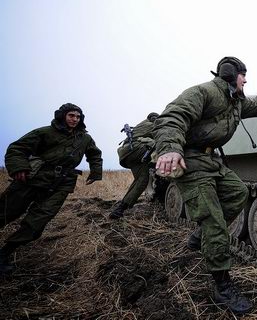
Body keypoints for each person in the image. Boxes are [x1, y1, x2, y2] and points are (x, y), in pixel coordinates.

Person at [154, 56, 257, 314]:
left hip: (210, 159)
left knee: (238, 193)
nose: (246, 80)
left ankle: (200, 235)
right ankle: (222, 285)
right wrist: (170, 149)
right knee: (215, 222)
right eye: (243, 75)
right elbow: (173, 116)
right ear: (231, 75)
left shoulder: (235, 102)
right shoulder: (203, 92)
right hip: (191, 160)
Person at [0, 103, 103, 273]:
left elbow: (94, 154)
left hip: (62, 184)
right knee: (6, 211)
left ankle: (5, 253)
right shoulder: (44, 132)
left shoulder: (84, 139)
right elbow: (17, 148)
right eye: (71, 115)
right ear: (62, 116)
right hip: (33, 179)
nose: (74, 119)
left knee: (37, 222)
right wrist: (19, 168)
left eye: (78, 117)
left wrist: (95, 171)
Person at [109, 112, 159, 219]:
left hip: (127, 155)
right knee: (165, 148)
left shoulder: (142, 125)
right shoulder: (152, 124)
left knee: (142, 180)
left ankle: (121, 208)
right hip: (137, 150)